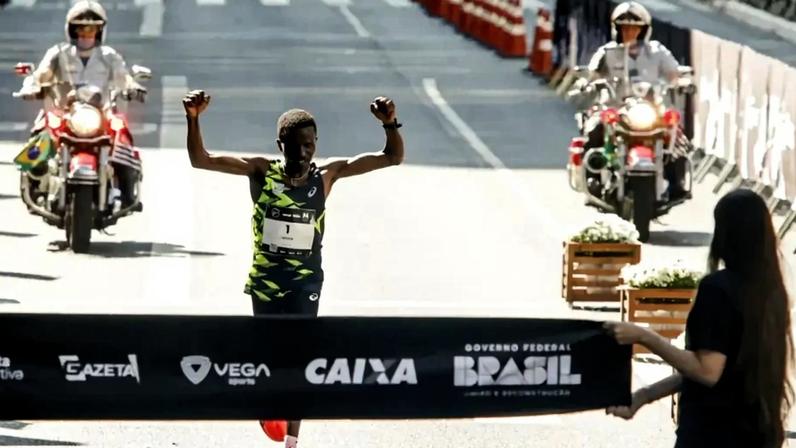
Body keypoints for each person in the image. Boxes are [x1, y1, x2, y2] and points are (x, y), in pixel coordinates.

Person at [182, 89, 404, 448]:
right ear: (280, 145)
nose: (302, 153)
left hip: (306, 282)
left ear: (316, 145)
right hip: (267, 281)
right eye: (295, 146)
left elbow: (392, 157)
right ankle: (271, 403)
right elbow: (201, 160)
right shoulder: (261, 172)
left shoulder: (326, 176)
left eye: (309, 145)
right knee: (271, 354)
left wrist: (390, 124)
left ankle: (291, 441)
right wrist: (193, 119)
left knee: (299, 354)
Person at [604, 188, 794, 447]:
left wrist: (644, 336)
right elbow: (721, 368)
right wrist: (646, 395)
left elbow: (707, 370)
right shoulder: (772, 292)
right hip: (758, 433)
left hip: (711, 434)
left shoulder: (717, 289)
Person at [19, 0, 146, 208]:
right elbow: (40, 75)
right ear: (72, 30)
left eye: (92, 29)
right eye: (81, 28)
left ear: (100, 31)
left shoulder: (109, 56)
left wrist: (133, 87)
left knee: (121, 133)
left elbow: (123, 77)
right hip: (64, 112)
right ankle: (34, 185)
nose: (86, 34)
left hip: (101, 113)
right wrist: (31, 87)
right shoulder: (58, 53)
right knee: (41, 133)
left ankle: (127, 191)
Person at [582, 1, 689, 201]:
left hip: (650, 109)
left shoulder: (657, 51)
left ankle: (677, 182)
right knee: (594, 128)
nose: (629, 32)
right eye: (624, 27)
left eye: (634, 28)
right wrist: (587, 82)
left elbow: (674, 72)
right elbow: (591, 73)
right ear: (616, 29)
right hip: (616, 109)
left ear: (644, 30)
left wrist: (681, 81)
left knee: (675, 134)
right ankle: (593, 178)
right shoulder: (607, 52)